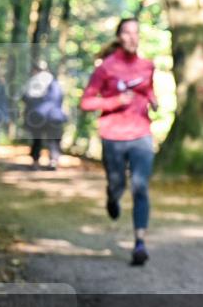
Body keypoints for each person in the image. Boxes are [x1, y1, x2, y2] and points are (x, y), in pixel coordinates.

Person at [80, 18, 158, 266]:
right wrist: (114, 102)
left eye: (137, 32)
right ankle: (112, 198)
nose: (133, 37)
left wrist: (153, 100)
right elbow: (86, 102)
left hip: (141, 135)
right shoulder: (105, 68)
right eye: (127, 32)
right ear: (119, 37)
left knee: (140, 187)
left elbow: (147, 89)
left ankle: (139, 243)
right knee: (117, 185)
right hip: (113, 135)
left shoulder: (147, 65)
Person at [21, 60, 67, 170]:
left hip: (36, 116)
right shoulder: (53, 81)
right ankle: (53, 160)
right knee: (53, 139)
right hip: (53, 116)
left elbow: (25, 98)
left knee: (37, 139)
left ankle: (36, 161)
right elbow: (58, 98)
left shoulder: (31, 82)